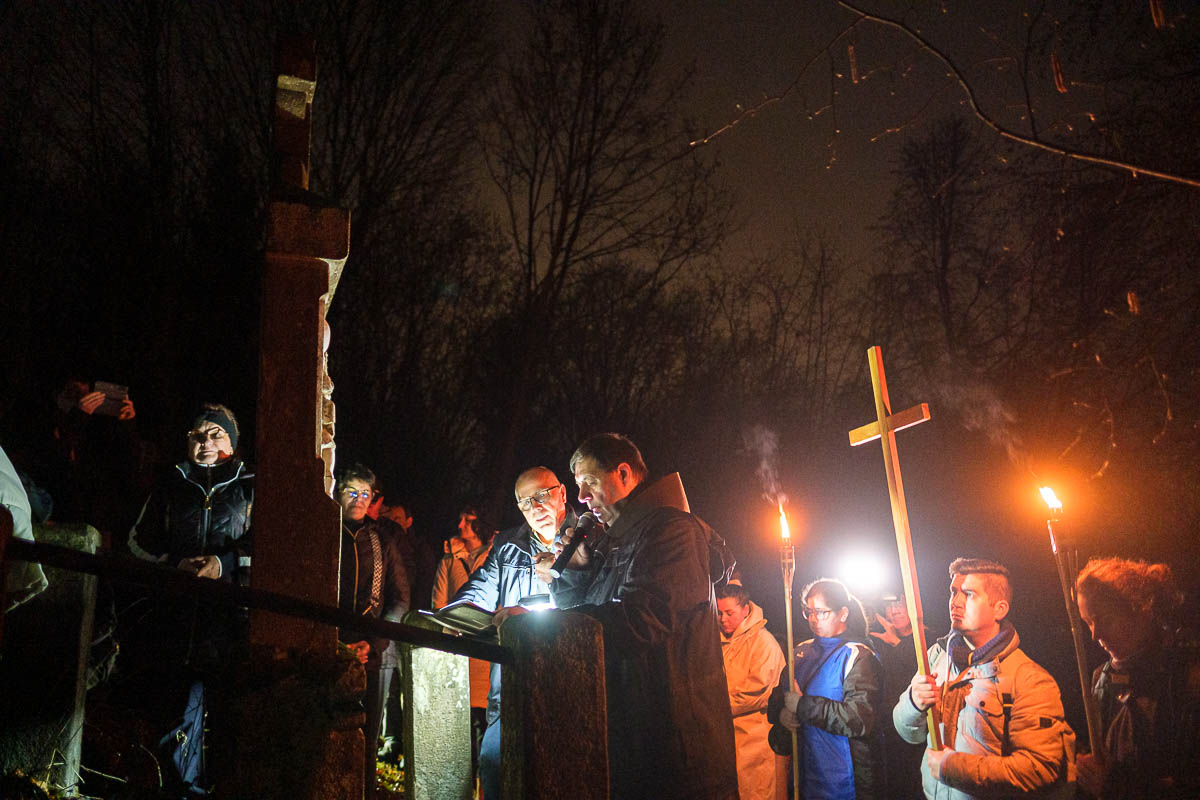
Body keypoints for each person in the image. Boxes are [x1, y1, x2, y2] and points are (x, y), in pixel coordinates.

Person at [540, 433, 738, 800]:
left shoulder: (672, 532)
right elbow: (582, 626)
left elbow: (641, 619)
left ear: (625, 474)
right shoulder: (611, 542)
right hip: (633, 741)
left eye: (591, 482)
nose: (581, 496)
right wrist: (576, 570)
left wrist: (542, 629)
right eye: (578, 485)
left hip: (676, 750)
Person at [125, 403, 255, 796]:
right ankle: (182, 791)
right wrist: (172, 564)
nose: (205, 442)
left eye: (215, 434)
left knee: (229, 717)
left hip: (230, 621)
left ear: (231, 443)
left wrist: (224, 562)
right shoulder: (171, 484)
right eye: (197, 434)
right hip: (177, 620)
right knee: (178, 717)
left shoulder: (250, 485)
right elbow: (137, 542)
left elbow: (267, 545)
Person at [893, 558, 1075, 800]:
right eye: (953, 592)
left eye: (968, 594)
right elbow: (909, 733)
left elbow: (1039, 768)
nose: (955, 602)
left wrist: (952, 767)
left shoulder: (1028, 679)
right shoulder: (936, 657)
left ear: (1000, 608)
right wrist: (913, 703)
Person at [448, 466, 577, 800]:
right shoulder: (508, 544)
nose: (534, 508)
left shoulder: (587, 539)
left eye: (541, 496)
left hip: (566, 686)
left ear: (562, 492)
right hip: (508, 687)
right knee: (495, 767)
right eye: (524, 503)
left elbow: (591, 609)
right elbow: (483, 586)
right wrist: (460, 611)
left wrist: (525, 620)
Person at [1074, 557, 1200, 799]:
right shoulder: (1102, 677)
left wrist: (1116, 786)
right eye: (1088, 622)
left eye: (1105, 620)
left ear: (1141, 611)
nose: (1095, 635)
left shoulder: (1185, 678)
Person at [335, 463, 411, 795]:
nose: (358, 499)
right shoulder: (325, 531)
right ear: (338, 493)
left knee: (367, 735)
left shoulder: (382, 539)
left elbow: (399, 600)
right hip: (329, 643)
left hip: (374, 651)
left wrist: (375, 642)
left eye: (365, 493)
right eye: (351, 491)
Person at [771, 578, 886, 799]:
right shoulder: (800, 653)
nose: (814, 619)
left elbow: (860, 718)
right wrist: (784, 717)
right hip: (805, 779)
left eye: (822, 612)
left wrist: (803, 706)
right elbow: (777, 702)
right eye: (809, 612)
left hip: (844, 782)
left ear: (843, 613)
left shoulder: (858, 656)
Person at [716, 581, 785, 800]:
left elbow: (757, 693)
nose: (723, 619)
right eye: (719, 613)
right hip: (727, 742)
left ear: (745, 610)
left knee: (756, 793)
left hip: (756, 744)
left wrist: (711, 707)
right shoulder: (716, 642)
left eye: (729, 613)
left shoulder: (763, 643)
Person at [870, 593, 928, 800]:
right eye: (889, 605)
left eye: (899, 603)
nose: (893, 610)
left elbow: (925, 673)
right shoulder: (881, 642)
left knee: (914, 786)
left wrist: (896, 642)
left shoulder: (929, 639)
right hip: (887, 731)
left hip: (917, 735)